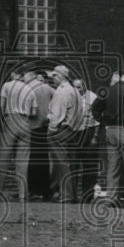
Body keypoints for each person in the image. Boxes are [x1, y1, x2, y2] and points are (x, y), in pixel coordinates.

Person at [92, 67, 124, 209]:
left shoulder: (109, 90)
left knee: (112, 167)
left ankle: (111, 199)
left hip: (110, 131)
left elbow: (95, 107)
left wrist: (104, 121)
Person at [0, 67, 36, 201]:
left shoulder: (7, 85)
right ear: (22, 75)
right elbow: (34, 112)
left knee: (3, 157)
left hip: (11, 119)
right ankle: (23, 195)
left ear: (13, 74)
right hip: (26, 123)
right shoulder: (29, 89)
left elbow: (1, 105)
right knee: (23, 161)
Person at [46, 64, 83, 203]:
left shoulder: (61, 92)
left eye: (54, 76)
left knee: (61, 164)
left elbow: (56, 116)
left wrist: (52, 130)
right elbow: (80, 112)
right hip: (72, 130)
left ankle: (66, 195)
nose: (52, 79)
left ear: (60, 76)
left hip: (60, 131)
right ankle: (72, 195)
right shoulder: (75, 91)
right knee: (70, 163)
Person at [26, 67, 54, 201]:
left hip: (32, 126)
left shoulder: (28, 88)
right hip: (45, 126)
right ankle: (45, 190)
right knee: (44, 159)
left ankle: (33, 189)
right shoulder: (48, 88)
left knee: (31, 159)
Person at [72, 77, 101, 200]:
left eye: (78, 87)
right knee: (73, 164)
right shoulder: (72, 97)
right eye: (74, 87)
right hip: (75, 133)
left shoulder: (93, 97)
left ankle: (87, 195)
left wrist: (95, 136)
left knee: (89, 165)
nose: (76, 90)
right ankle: (72, 195)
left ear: (84, 86)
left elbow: (98, 119)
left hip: (88, 132)